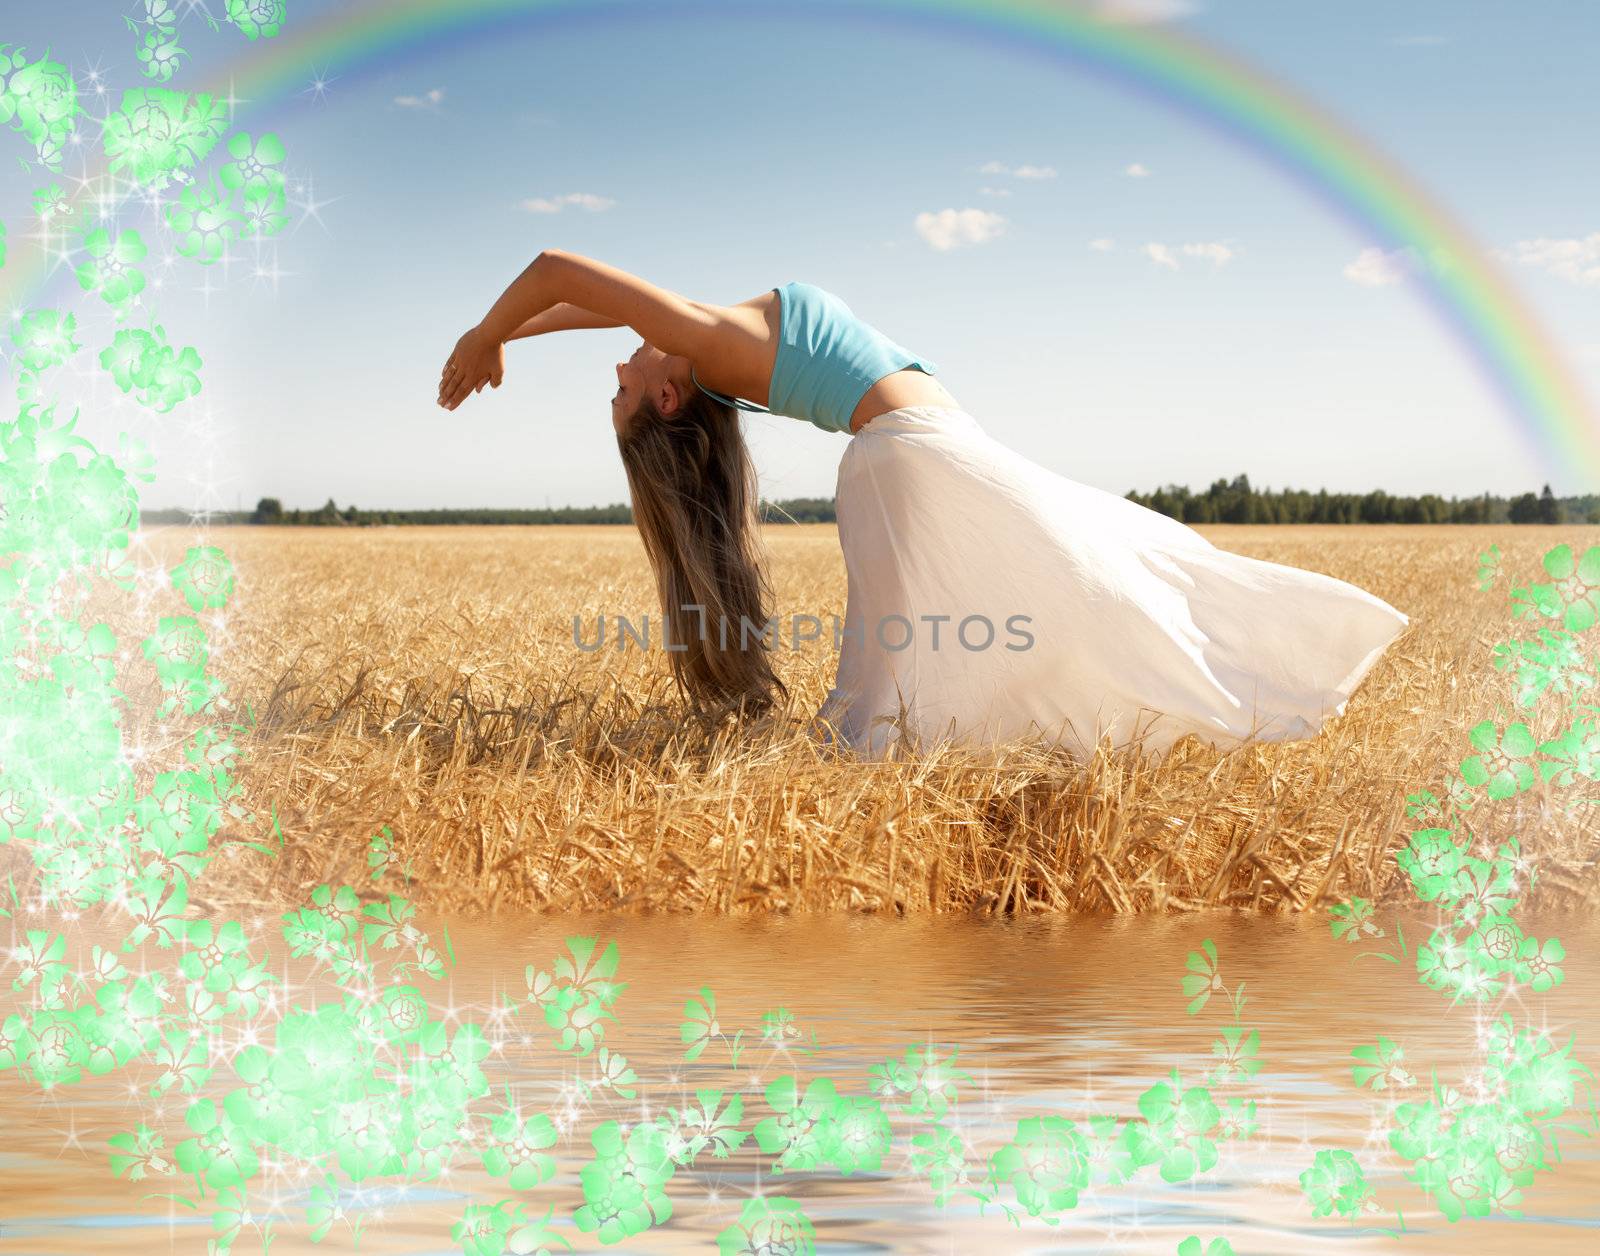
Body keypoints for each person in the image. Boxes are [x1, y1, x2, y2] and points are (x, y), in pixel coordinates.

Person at [438, 249, 1411, 762]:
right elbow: (561, 266)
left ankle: (1195, 695)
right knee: (1076, 592)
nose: (617, 360)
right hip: (912, 461)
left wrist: (505, 335)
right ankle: (1217, 693)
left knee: (1097, 574)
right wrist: (489, 331)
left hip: (921, 452)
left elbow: (584, 297)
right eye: (621, 384)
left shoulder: (700, 332)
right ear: (666, 396)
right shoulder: (698, 334)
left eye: (614, 375)